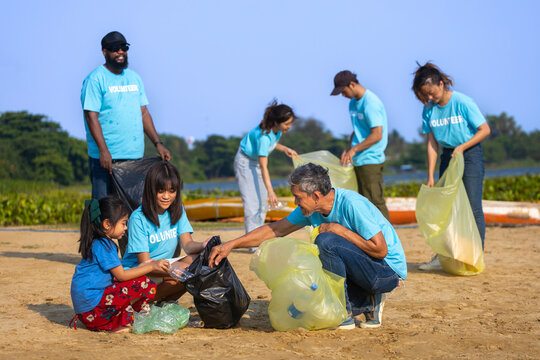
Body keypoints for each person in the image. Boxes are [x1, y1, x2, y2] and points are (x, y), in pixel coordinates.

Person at [210, 163, 407, 329]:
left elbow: (381, 250)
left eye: (298, 197)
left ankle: (343, 313)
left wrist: (340, 230)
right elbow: (276, 230)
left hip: (386, 272)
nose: (296, 202)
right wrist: (231, 245)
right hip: (365, 268)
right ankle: (367, 301)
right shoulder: (311, 210)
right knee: (297, 308)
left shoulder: (351, 204)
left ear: (315, 196)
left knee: (325, 242)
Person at [412, 62, 491, 270]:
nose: (429, 98)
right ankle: (443, 256)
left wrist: (463, 147)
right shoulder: (428, 110)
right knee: (447, 208)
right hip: (448, 156)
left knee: (473, 207)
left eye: (431, 93)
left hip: (470, 154)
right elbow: (431, 143)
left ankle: (475, 255)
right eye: (425, 95)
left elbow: (484, 130)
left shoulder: (463, 102)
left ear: (441, 83)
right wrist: (430, 175)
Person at [81, 31, 171, 200]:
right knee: (101, 204)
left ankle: (129, 228)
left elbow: (143, 112)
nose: (120, 52)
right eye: (115, 48)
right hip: (106, 158)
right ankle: (91, 227)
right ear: (104, 52)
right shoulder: (95, 79)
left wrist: (158, 143)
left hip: (134, 157)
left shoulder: (134, 78)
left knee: (131, 205)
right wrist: (103, 150)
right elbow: (91, 117)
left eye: (124, 47)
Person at [70, 196, 170, 332]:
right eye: (123, 223)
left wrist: (141, 266)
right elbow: (121, 276)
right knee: (144, 283)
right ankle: (120, 323)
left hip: (86, 311)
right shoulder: (105, 245)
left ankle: (119, 321)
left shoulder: (97, 243)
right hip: (93, 310)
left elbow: (117, 273)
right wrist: (151, 266)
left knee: (131, 283)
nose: (126, 228)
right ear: (107, 224)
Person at [121, 161, 208, 303]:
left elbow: (188, 245)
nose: (166, 196)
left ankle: (164, 302)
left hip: (164, 265)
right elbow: (145, 264)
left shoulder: (177, 208)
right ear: (150, 189)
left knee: (200, 262)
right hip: (140, 271)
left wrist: (205, 244)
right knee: (182, 275)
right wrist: (176, 270)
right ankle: (140, 303)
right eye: (161, 191)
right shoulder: (138, 218)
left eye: (171, 191)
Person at [234, 100, 298, 251]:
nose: (289, 127)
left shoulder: (277, 130)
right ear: (277, 122)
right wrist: (271, 191)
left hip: (255, 162)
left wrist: (285, 149)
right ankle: (252, 244)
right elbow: (264, 167)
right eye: (287, 124)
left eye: (290, 123)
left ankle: (258, 240)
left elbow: (272, 144)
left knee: (262, 204)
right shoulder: (263, 136)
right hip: (245, 163)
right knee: (252, 204)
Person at [330, 70, 390, 220]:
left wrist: (354, 150)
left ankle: (387, 239)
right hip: (358, 158)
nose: (343, 96)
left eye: (343, 91)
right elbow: (356, 130)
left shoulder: (370, 102)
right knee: (363, 201)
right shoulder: (353, 103)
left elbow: (377, 134)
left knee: (375, 200)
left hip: (371, 158)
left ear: (352, 84)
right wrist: (347, 148)